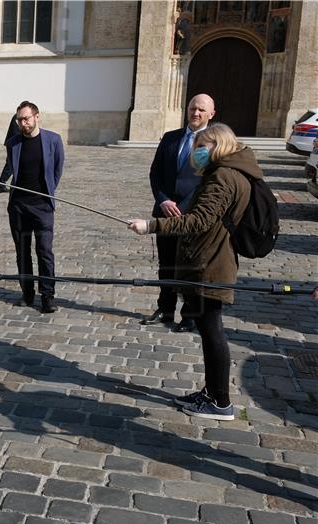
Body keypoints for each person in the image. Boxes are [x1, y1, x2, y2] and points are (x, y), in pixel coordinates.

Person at [128, 123, 256, 421]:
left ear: (218, 145)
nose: (196, 152)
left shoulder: (224, 177)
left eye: (202, 146)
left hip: (210, 265)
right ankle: (212, 393)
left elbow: (198, 221)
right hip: (207, 260)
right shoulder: (227, 172)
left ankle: (220, 402)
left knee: (212, 332)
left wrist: (151, 225)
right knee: (208, 329)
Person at [143, 93, 216, 333]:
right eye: (192, 108)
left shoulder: (214, 143)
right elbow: (156, 173)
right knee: (165, 265)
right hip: (165, 213)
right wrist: (163, 200)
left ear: (211, 115)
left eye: (201, 110)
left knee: (189, 268)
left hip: (191, 218)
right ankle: (165, 309)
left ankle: (189, 317)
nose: (195, 113)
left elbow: (210, 182)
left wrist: (183, 208)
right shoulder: (170, 138)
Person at [0, 101, 64, 313]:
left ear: (37, 117)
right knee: (22, 252)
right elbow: (12, 167)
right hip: (18, 206)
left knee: (44, 251)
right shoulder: (13, 143)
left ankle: (47, 296)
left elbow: (56, 171)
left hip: (42, 206)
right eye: (19, 120)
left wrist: (47, 193)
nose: (22, 123)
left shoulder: (53, 140)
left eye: (26, 118)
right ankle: (27, 294)